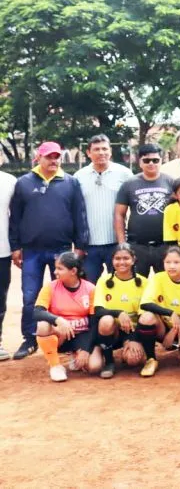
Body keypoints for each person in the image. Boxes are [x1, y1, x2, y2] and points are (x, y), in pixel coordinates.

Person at [10, 141, 90, 360]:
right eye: (49, 157)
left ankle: (69, 338)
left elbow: (79, 215)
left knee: (62, 295)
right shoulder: (24, 182)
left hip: (62, 249)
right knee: (30, 295)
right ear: (39, 158)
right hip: (32, 250)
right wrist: (15, 246)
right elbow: (15, 217)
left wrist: (81, 245)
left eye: (57, 157)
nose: (53, 161)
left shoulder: (70, 182)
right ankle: (29, 338)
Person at [136, 246, 180, 377]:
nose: (171, 266)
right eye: (168, 262)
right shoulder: (158, 278)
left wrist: (173, 333)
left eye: (176, 262)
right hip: (163, 325)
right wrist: (170, 313)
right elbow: (145, 303)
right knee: (146, 317)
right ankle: (151, 359)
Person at [75, 134, 132, 282]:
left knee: (119, 285)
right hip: (89, 245)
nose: (101, 152)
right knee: (88, 286)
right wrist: (79, 243)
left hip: (116, 242)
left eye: (104, 149)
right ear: (88, 153)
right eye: (96, 149)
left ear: (110, 151)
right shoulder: (79, 177)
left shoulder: (124, 174)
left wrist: (125, 242)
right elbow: (75, 210)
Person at [32, 252, 94, 382]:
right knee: (42, 326)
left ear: (73, 271)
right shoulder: (51, 287)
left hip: (82, 334)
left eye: (60, 268)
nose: (55, 272)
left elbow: (94, 322)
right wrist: (58, 320)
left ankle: (76, 353)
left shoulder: (90, 289)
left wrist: (86, 349)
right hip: (60, 334)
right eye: (56, 268)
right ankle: (55, 365)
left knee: (93, 367)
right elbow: (37, 312)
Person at [115, 143, 172, 277]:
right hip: (137, 246)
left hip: (164, 246)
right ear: (139, 162)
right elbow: (119, 214)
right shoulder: (129, 184)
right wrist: (122, 244)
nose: (151, 163)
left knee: (166, 285)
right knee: (136, 285)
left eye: (155, 160)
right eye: (146, 160)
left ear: (161, 161)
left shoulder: (170, 182)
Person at [89, 244, 146, 378]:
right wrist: (118, 313)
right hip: (111, 330)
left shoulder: (144, 282)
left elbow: (146, 314)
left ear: (133, 260)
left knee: (134, 360)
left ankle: (127, 349)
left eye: (126, 258)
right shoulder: (104, 281)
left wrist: (134, 339)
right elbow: (98, 311)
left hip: (132, 330)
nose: (121, 262)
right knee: (106, 320)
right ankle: (109, 360)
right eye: (117, 258)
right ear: (112, 260)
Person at [0, 167, 17, 361]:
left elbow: (17, 216)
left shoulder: (10, 181)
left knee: (0, 299)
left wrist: (16, 246)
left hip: (2, 251)